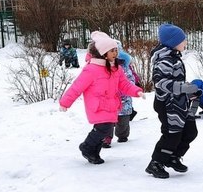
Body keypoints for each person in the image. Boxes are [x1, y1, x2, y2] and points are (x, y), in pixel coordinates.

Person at [59, 31, 144, 165]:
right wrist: (65, 102)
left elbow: (124, 84)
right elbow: (77, 87)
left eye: (116, 50)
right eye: (112, 51)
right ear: (103, 53)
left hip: (111, 104)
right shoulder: (91, 70)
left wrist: (136, 91)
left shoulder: (116, 68)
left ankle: (94, 153)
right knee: (103, 128)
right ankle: (87, 147)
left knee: (105, 129)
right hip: (97, 105)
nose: (115, 53)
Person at [147, 23, 203, 179]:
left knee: (190, 131)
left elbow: (177, 82)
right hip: (166, 104)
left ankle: (173, 156)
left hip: (178, 103)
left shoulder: (174, 58)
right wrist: (184, 88)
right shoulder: (164, 61)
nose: (185, 42)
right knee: (172, 134)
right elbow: (160, 83)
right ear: (173, 42)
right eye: (183, 40)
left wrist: (190, 92)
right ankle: (156, 162)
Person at [102, 41, 140, 148]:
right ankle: (106, 138)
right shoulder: (103, 67)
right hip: (109, 99)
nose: (113, 54)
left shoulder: (124, 66)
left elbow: (130, 79)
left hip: (123, 98)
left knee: (123, 120)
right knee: (107, 120)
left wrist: (127, 89)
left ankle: (122, 135)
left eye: (115, 51)